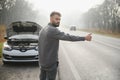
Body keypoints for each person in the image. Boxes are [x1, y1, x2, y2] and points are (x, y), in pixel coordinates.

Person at [38, 11, 92, 80]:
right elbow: (68, 37)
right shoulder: (53, 30)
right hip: (50, 64)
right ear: (51, 19)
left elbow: (39, 46)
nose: (58, 21)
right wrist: (84, 38)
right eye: (56, 19)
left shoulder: (43, 29)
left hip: (42, 63)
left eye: (59, 19)